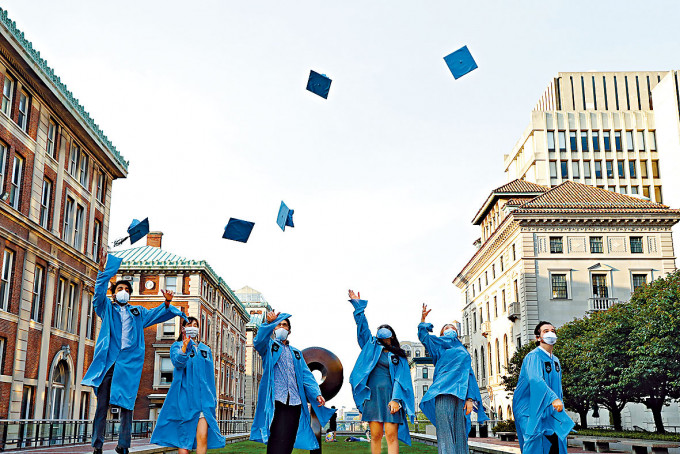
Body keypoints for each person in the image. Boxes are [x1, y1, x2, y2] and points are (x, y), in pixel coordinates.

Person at [82, 250, 188, 454]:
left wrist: (166, 303)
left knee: (127, 406)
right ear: (114, 293)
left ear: (130, 294)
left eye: (126, 289)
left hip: (129, 364)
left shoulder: (137, 312)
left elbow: (157, 314)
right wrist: (105, 271)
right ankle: (97, 445)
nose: (123, 291)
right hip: (109, 362)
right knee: (102, 406)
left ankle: (123, 445)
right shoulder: (106, 308)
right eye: (120, 288)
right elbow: (98, 294)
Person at [250, 310, 336, 454]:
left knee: (289, 440)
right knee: (276, 439)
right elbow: (258, 341)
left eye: (284, 325)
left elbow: (306, 376)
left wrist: (316, 394)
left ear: (289, 331)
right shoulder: (269, 347)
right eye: (278, 325)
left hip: (295, 402)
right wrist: (268, 324)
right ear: (273, 329)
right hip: (277, 400)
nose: (281, 328)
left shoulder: (296, 353)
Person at [347, 290, 415, 454]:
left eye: (385, 329)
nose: (382, 331)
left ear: (391, 334)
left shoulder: (398, 356)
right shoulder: (370, 346)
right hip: (373, 397)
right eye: (380, 329)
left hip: (390, 398)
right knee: (376, 436)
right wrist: (358, 306)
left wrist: (396, 399)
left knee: (391, 436)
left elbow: (401, 378)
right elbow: (362, 328)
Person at [417, 304, 488, 454]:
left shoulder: (463, 351)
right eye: (446, 328)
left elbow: (469, 375)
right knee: (445, 435)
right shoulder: (438, 348)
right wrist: (423, 320)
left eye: (453, 328)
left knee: (461, 434)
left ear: (457, 333)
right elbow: (424, 337)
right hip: (442, 392)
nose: (450, 330)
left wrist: (470, 398)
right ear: (442, 333)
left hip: (461, 395)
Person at [150, 317, 225, 454]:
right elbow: (178, 362)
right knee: (184, 441)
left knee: (203, 436)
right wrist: (185, 347)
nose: (193, 327)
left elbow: (209, 377)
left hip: (204, 402)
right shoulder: (177, 346)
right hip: (185, 400)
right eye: (190, 324)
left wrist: (212, 399)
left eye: (196, 325)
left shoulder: (205, 350)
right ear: (183, 328)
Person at [513, 321, 575, 454]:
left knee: (556, 445)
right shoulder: (533, 357)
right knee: (536, 445)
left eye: (553, 330)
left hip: (551, 412)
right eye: (546, 331)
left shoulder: (556, 360)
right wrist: (553, 398)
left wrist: (559, 403)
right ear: (538, 337)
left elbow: (558, 388)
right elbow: (535, 379)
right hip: (530, 410)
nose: (551, 333)